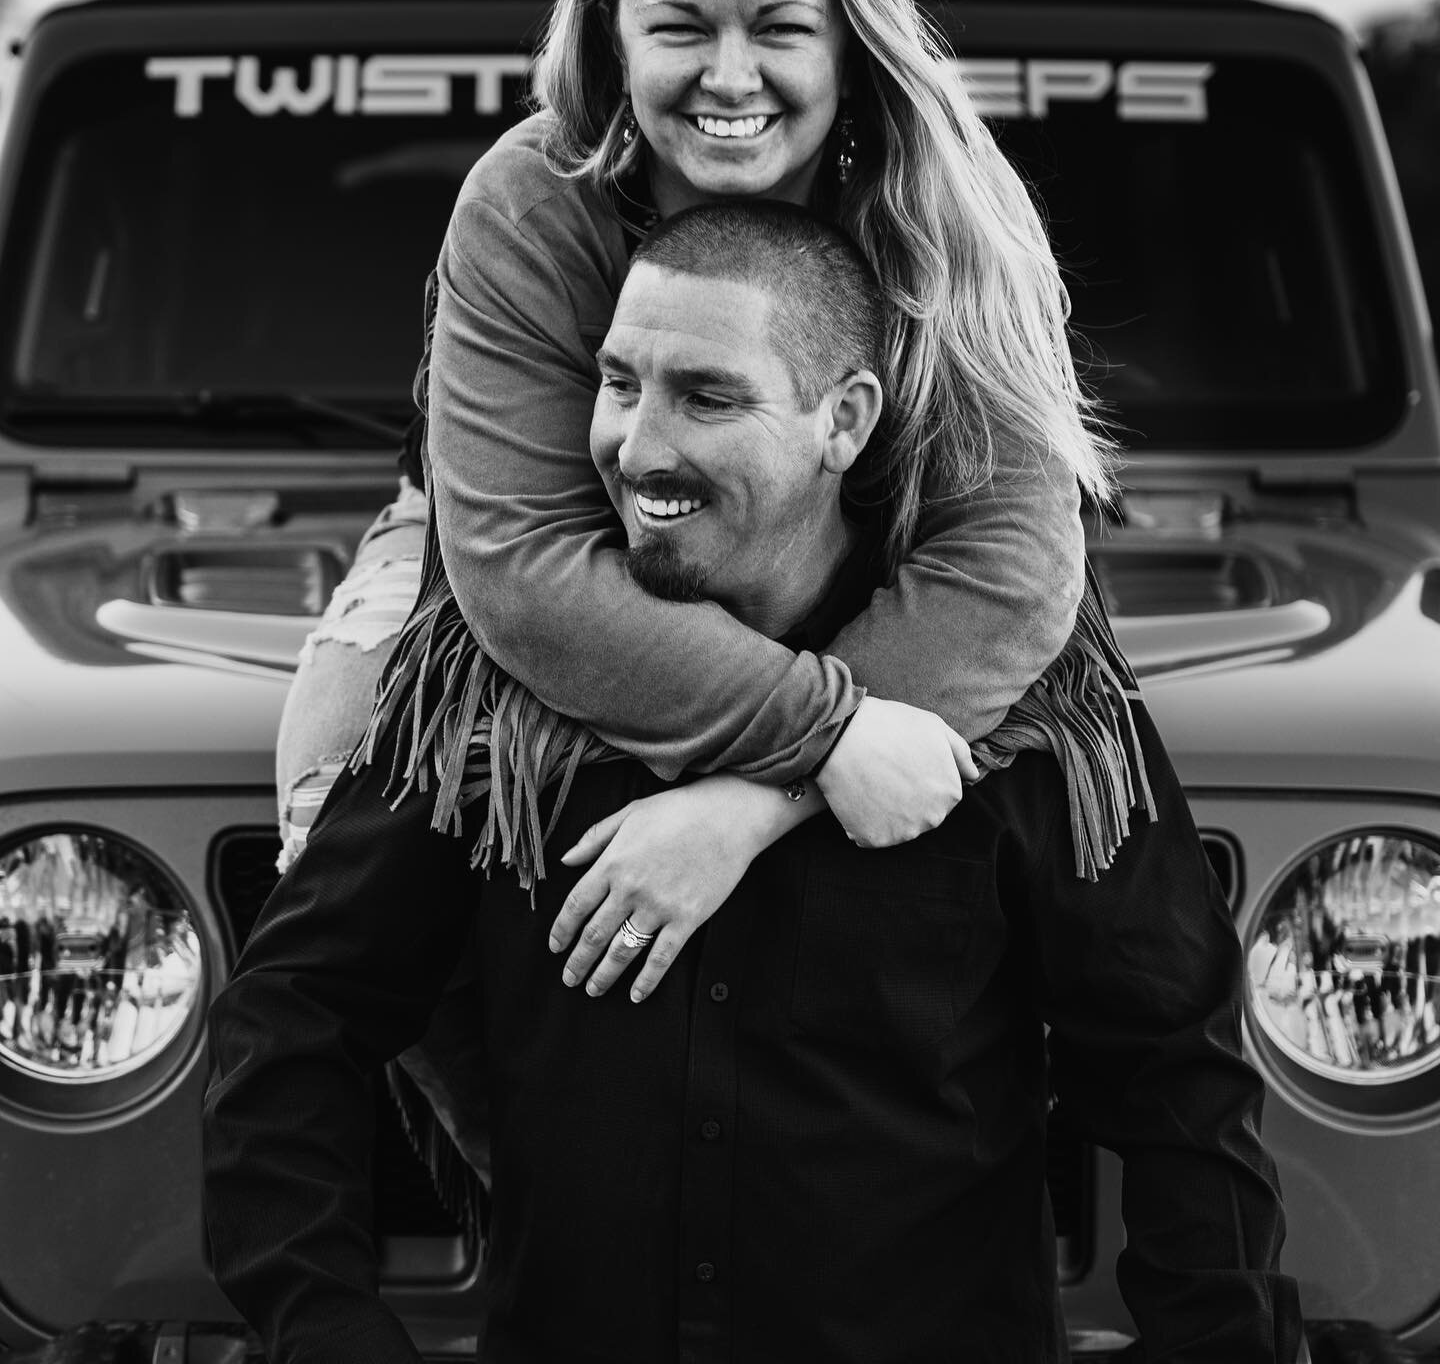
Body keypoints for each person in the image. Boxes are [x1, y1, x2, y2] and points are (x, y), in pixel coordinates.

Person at [205, 203, 1304, 1363]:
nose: (636, 446)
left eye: (707, 396)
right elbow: (289, 1025)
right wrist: (330, 1335)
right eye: (620, 382)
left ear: (846, 422)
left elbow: (1177, 1074)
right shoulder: (496, 716)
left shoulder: (1033, 721)